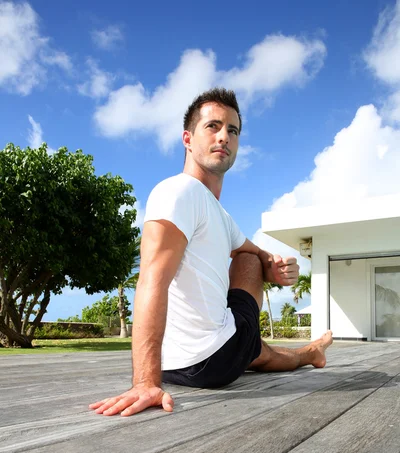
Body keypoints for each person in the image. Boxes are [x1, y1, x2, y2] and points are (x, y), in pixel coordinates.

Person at [90, 88, 332, 417]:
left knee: (258, 349)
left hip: (173, 366)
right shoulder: (179, 191)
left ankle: (311, 351)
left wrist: (274, 267)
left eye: (232, 130)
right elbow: (150, 280)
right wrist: (144, 382)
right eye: (213, 126)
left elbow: (257, 250)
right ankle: (308, 351)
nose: (224, 137)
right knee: (246, 273)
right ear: (187, 139)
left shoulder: (220, 215)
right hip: (211, 360)